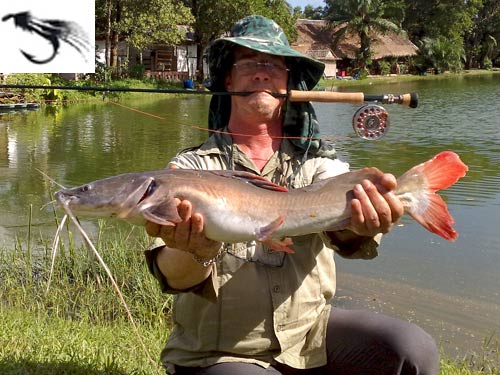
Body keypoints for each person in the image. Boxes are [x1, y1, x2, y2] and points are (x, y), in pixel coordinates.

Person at [145, 15, 440, 375]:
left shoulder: (319, 166)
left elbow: (344, 236)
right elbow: (172, 276)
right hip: (221, 352)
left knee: (413, 350)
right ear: (228, 79)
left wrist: (362, 224)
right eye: (249, 63)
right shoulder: (188, 170)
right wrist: (197, 248)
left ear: (288, 81)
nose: (261, 72)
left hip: (309, 338)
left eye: (274, 65)